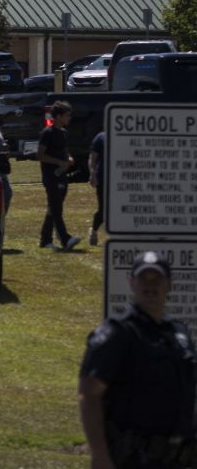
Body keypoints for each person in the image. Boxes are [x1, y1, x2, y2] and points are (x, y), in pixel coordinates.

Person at [79, 251, 196, 469]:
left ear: (168, 284)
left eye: (157, 279)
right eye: (143, 278)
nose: (150, 286)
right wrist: (99, 455)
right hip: (135, 458)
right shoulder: (118, 333)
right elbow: (89, 395)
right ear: (131, 283)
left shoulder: (178, 333)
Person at [37, 100, 81, 251]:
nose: (69, 118)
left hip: (62, 175)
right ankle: (65, 239)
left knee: (54, 207)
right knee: (56, 208)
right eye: (67, 115)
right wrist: (57, 162)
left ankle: (45, 239)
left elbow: (64, 150)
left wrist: (68, 158)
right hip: (50, 176)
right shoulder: (47, 133)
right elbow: (40, 155)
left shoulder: (63, 133)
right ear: (59, 116)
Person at [89, 130, 106, 246]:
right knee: (103, 210)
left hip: (120, 179)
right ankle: (94, 231)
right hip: (103, 177)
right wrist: (92, 174)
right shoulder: (100, 137)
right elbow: (92, 157)